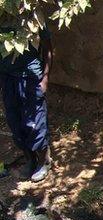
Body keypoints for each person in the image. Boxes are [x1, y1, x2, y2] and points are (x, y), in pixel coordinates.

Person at [0, 24, 53, 182]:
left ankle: (45, 161)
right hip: (7, 76)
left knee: (35, 122)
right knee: (15, 121)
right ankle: (30, 159)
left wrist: (45, 77)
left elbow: (48, 47)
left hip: (29, 75)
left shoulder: (31, 14)